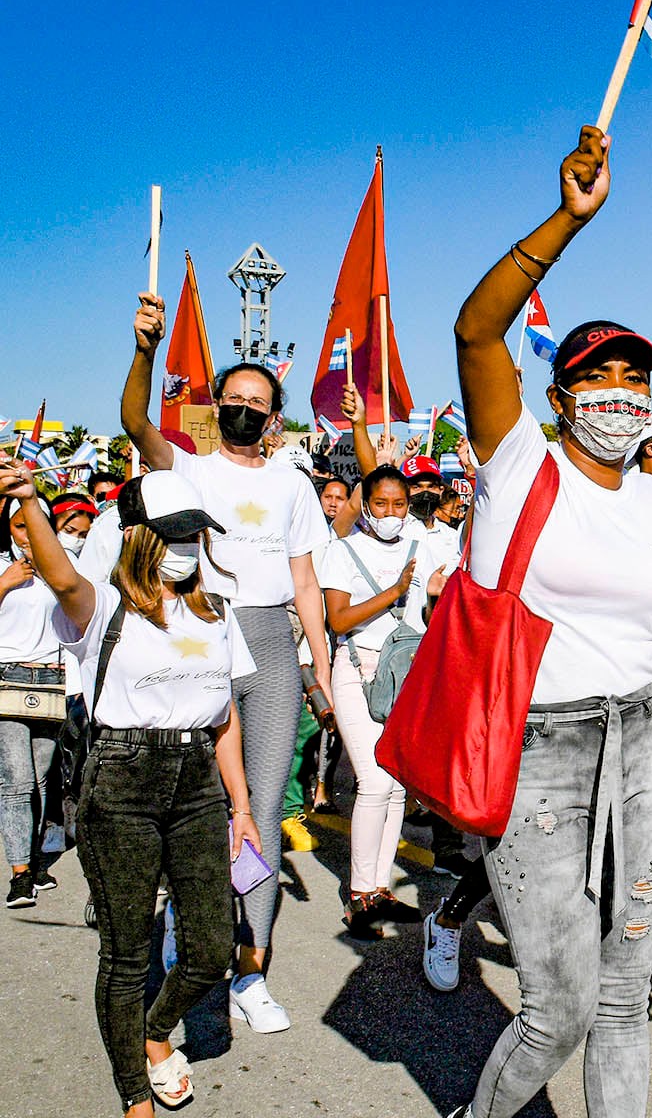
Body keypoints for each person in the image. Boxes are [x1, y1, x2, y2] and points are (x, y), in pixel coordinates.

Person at [443, 125, 652, 1118]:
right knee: (558, 1010)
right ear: (563, 394)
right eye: (601, 380)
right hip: (537, 755)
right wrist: (567, 221)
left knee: (624, 1005)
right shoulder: (519, 464)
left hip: (644, 750)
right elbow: (476, 333)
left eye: (637, 383)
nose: (622, 397)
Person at [1, 466, 261, 1118]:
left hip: (198, 780)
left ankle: (153, 1030)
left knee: (208, 948)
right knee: (125, 956)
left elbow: (223, 712)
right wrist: (30, 501)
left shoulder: (215, 611)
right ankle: (134, 1097)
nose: (186, 548)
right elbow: (61, 577)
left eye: (194, 535)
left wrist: (245, 807)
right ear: (140, 537)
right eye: (173, 536)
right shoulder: (104, 606)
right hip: (121, 782)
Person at [121, 298, 333, 1034]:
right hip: (204, 636)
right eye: (234, 400)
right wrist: (146, 352)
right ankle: (189, 934)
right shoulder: (187, 468)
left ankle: (253, 969)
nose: (245, 411)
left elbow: (306, 584)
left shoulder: (294, 485)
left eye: (259, 404)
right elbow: (134, 423)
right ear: (217, 405)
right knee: (203, 809)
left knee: (265, 808)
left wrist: (322, 671)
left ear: (275, 417)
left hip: (272, 646)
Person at [320, 464, 447, 937]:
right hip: (357, 670)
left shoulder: (425, 546)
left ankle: (379, 887)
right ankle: (359, 896)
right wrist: (394, 591)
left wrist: (433, 594)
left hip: (406, 674)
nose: (391, 512)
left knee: (396, 784)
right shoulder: (343, 549)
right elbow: (338, 618)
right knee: (373, 781)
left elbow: (434, 606)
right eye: (381, 504)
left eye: (399, 504)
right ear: (366, 506)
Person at [0, 492, 67, 906]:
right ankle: (19, 872)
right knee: (16, 782)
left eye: (35, 523)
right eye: (20, 525)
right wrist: (7, 581)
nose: (28, 534)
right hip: (6, 676)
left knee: (42, 780)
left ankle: (38, 860)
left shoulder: (61, 565)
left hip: (51, 682)